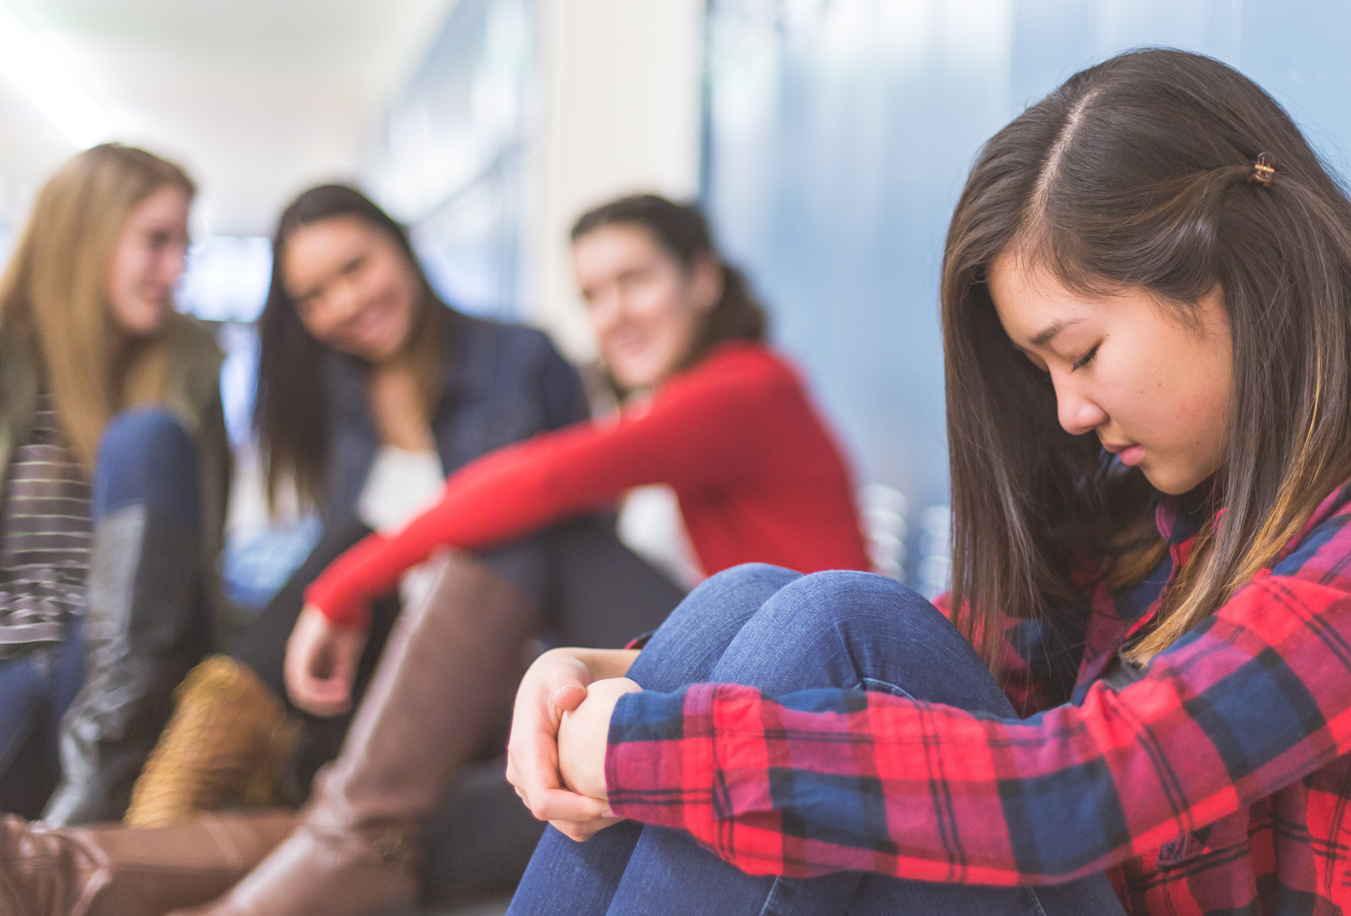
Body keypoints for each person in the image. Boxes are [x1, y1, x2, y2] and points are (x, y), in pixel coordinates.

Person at [505, 49, 1351, 916]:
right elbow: (965, 651)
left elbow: (1078, 793)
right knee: (753, 604)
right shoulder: (1178, 508)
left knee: (829, 621)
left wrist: (646, 742)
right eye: (1043, 370)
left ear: (1236, 272)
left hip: (1082, 839)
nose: (1069, 413)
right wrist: (611, 674)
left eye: (1082, 351)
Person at [170, 194, 869, 916]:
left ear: (703, 279)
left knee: (543, 529)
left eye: (636, 281)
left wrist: (340, 587)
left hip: (792, 706)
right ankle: (67, 868)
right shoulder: (687, 396)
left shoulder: (746, 390)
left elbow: (540, 481)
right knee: (390, 827)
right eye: (593, 294)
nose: (613, 314)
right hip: (731, 691)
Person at [0, 143, 235, 826]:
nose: (175, 269)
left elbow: (193, 571)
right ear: (87, 233)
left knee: (147, 437)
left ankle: (86, 804)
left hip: (120, 679)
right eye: (155, 242)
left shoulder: (189, 364)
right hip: (15, 669)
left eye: (184, 246)